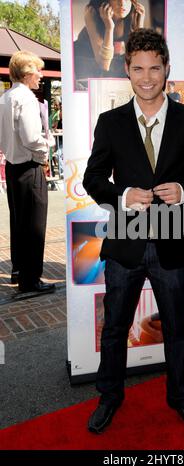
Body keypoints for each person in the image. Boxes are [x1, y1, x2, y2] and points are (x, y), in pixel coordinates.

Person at [83, 28, 184, 434]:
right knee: (116, 328)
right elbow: (92, 178)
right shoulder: (110, 122)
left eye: (154, 68)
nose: (146, 77)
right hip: (125, 239)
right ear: (127, 70)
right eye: (138, 68)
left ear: (166, 69)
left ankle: (182, 399)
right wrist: (122, 195)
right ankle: (109, 397)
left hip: (173, 237)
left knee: (177, 326)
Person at [0, 51, 55, 293]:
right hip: (29, 166)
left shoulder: (5, 97)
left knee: (18, 222)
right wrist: (46, 149)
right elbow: (32, 137)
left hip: (12, 167)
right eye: (37, 71)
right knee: (34, 225)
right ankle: (30, 280)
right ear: (26, 73)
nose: (40, 76)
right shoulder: (26, 98)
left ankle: (19, 270)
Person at [74, 0, 145, 86]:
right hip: (87, 56)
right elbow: (104, 65)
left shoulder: (135, 13)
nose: (122, 3)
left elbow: (138, 59)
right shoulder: (92, 11)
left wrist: (140, 28)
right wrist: (109, 28)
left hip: (112, 59)